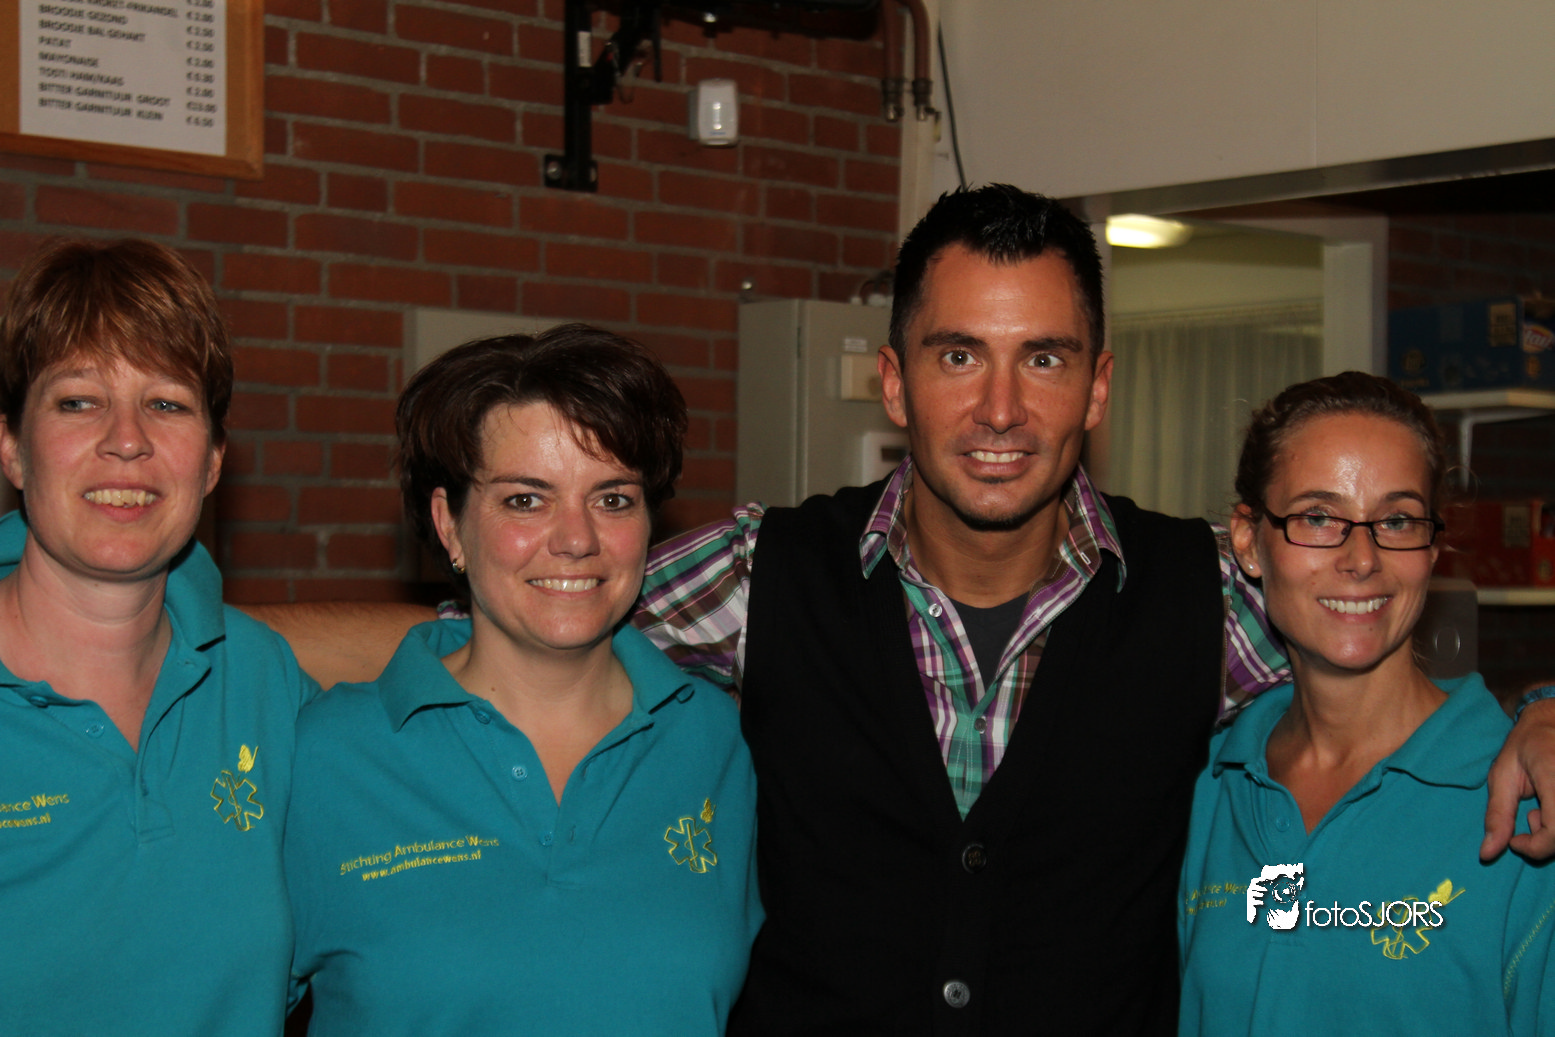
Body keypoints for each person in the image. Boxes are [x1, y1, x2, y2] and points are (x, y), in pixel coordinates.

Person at [246, 185, 1555, 1034]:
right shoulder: (760, 574)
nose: (999, 409)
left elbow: (1379, 664)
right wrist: (181, 647)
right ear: (891, 381)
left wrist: (1543, 714)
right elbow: (542, 605)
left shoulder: (1208, 590)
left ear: (1095, 387)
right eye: (956, 354)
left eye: (1042, 358)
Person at [283, 326, 761, 1036]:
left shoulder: (711, 740)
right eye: (525, 500)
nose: (576, 539)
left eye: (613, 499)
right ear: (450, 524)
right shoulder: (326, 755)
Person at [0, 238, 316, 1036]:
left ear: (211, 462)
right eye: (78, 401)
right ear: (12, 448)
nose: (127, 438)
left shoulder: (265, 683)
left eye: (168, 404)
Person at [1178, 372, 1555, 1033]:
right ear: (1248, 541)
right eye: (1317, 517)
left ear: (1432, 548)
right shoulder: (1206, 783)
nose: (1361, 558)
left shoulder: (1526, 801)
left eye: (1396, 520)